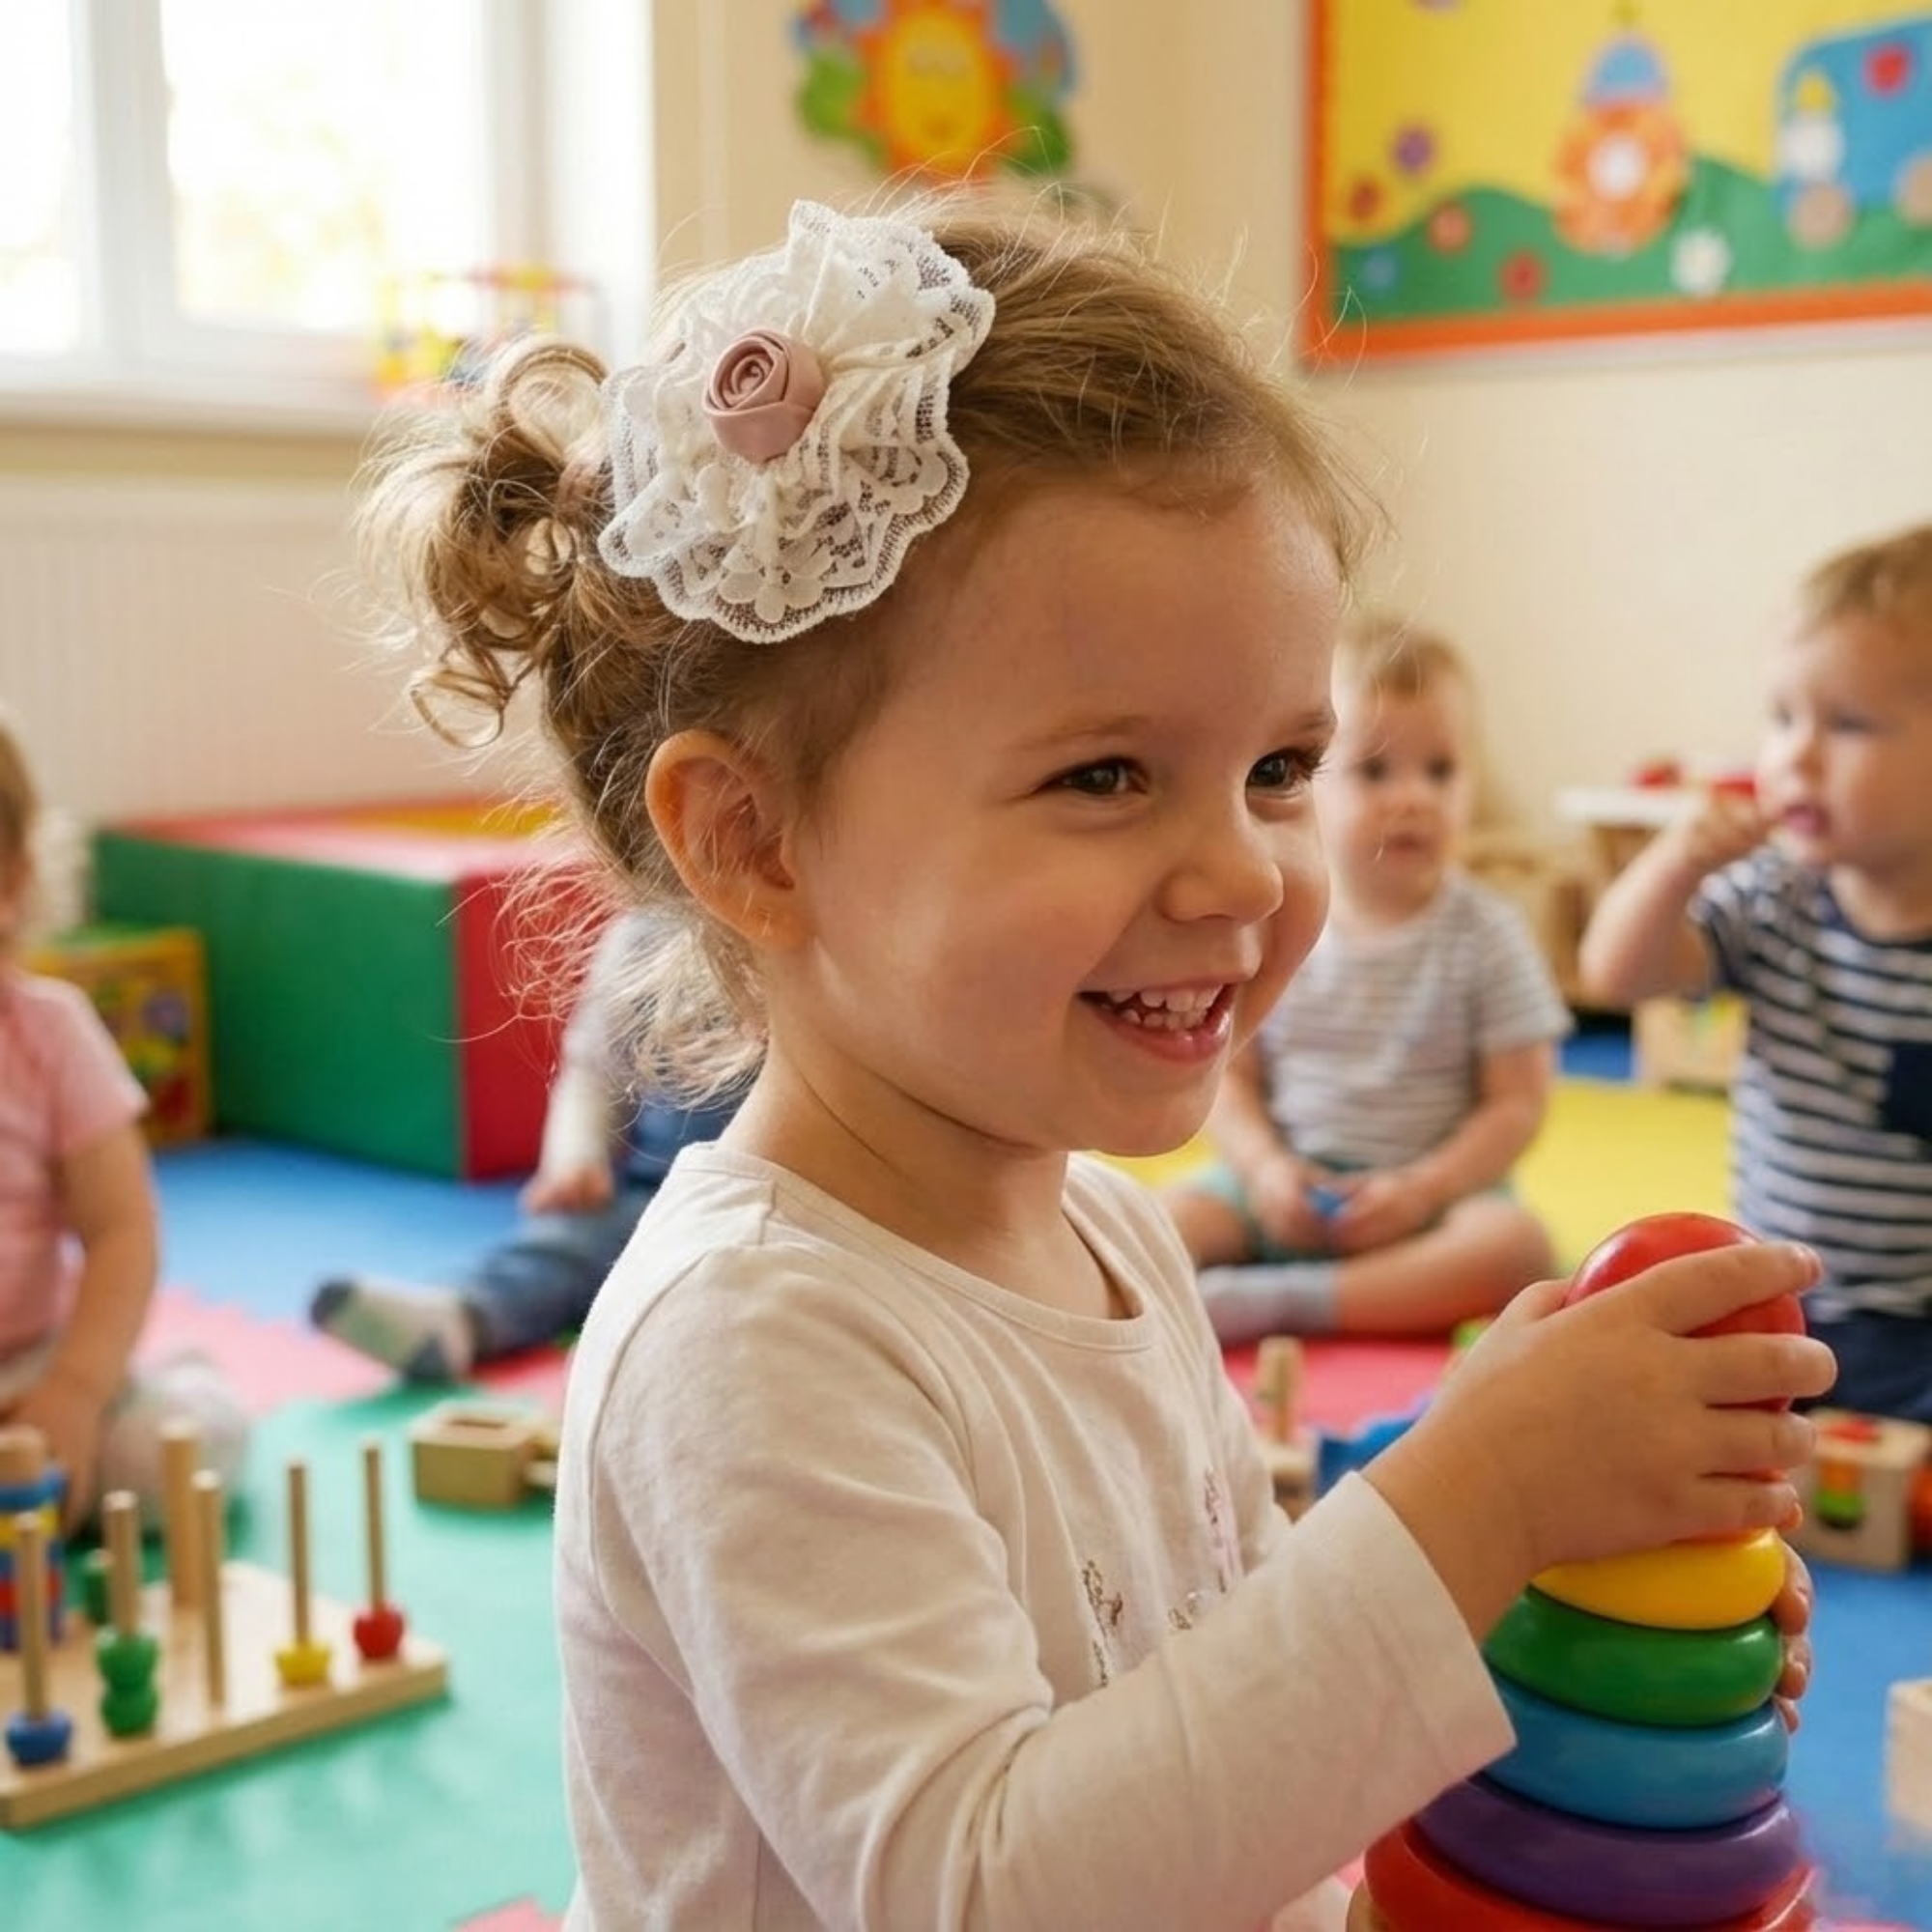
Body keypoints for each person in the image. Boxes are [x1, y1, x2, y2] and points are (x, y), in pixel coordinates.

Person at [363, 197, 1833, 1931]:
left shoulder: (1114, 1236)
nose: (1249, 877)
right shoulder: (751, 1341)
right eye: (1108, 778)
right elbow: (987, 1891)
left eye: (1280, 766)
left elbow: (1215, 1723)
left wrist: (1527, 1608)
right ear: (754, 843)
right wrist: (1472, 1499)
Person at [1579, 521, 1932, 1424]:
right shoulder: (1772, 898)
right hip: (1774, 1298)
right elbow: (1613, 974)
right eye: (1783, 718)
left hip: (1918, 1326)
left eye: (1848, 724)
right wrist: (1674, 865)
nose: (1796, 757)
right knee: (1623, 1342)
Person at [1162, 613, 1569, 1343]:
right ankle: (1276, 1283)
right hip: (1288, 1189)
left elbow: (1517, 1103)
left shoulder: (1489, 934)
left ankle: (1289, 1301)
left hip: (1432, 1202)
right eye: (1376, 770)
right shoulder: (1275, 923)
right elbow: (1233, 1077)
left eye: (1440, 770)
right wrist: (1264, 1171)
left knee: (1518, 1251)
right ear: (1308, 786)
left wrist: (1425, 1189)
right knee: (1146, 1224)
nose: (1412, 797)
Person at [309, 909, 742, 1380]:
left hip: (790, 1200)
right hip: (659, 1200)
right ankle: (464, 1315)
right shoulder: (644, 938)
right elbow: (593, 1076)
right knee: (572, 1242)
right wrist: (576, 1159)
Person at [0, 710, 247, 1531]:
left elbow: (120, 1230)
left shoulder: (44, 1032)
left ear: (10, 880)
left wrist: (74, 1390)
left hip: (38, 1368)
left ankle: (177, 1379)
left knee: (170, 1459)